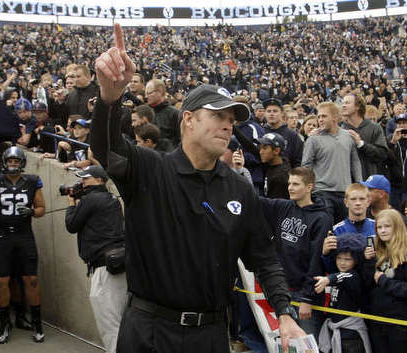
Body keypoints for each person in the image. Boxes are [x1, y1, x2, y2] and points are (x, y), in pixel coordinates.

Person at [91, 24, 305, 353]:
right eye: (217, 115)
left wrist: (285, 314)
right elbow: (107, 149)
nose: (227, 124)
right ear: (188, 119)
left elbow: (264, 258)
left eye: (231, 119)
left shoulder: (239, 188)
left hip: (210, 334)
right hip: (149, 331)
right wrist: (110, 98)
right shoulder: (150, 168)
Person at [259, 167, 332, 339]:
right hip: (283, 291)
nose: (290, 187)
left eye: (296, 184)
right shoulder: (283, 206)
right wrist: (238, 173)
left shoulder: (321, 218)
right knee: (287, 344)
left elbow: (317, 261)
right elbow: (254, 200)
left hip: (304, 294)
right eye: (289, 183)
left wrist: (307, 299)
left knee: (307, 344)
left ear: (309, 187)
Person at [64, 165, 127, 353]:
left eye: (86, 179)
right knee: (121, 320)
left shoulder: (90, 199)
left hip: (105, 269)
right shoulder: (112, 199)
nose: (82, 183)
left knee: (110, 323)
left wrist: (70, 203)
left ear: (99, 180)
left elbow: (71, 225)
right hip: (120, 264)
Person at [0, 146, 46, 343]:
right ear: (5, 162)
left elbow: (41, 209)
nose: (13, 164)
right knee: (1, 280)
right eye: (10, 160)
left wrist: (31, 212)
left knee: (31, 279)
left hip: (24, 235)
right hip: (2, 236)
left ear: (22, 163)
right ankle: (5, 322)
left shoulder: (31, 181)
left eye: (16, 161)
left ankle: (37, 323)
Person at [363, 209, 407, 353]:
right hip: (377, 321)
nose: (382, 231)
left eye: (387, 226)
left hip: (401, 326)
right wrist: (367, 263)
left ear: (397, 227)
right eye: (379, 227)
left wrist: (383, 280)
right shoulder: (376, 255)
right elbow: (367, 286)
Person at [302, 102, 363, 223]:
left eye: (324, 116)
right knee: (326, 229)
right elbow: (305, 166)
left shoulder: (348, 136)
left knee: (343, 229)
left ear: (335, 117)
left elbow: (355, 162)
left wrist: (359, 184)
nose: (320, 120)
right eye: (319, 117)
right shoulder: (313, 139)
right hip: (321, 192)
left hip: (345, 192)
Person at [314, 233, 372, 353]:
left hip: (351, 334)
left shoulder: (354, 276)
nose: (342, 263)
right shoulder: (338, 271)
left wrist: (328, 279)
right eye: (339, 258)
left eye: (347, 259)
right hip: (335, 329)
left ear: (356, 260)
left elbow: (344, 276)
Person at [322, 184, 374, 273]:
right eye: (353, 199)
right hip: (347, 283)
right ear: (346, 202)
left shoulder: (378, 227)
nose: (358, 203)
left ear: (368, 202)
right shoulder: (337, 230)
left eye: (362, 199)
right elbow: (331, 269)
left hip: (374, 281)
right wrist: (325, 253)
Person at [340, 93, 388, 179]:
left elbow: (382, 154)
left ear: (357, 106)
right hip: (348, 183)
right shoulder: (340, 130)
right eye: (343, 103)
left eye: (347, 103)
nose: (343, 106)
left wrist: (361, 144)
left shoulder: (374, 128)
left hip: (370, 181)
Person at [263, 98, 304, 167]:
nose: (271, 114)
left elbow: (298, 160)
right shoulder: (260, 132)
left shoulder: (292, 135)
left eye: (275, 111)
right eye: (269, 111)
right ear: (265, 113)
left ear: (281, 113)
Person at [145, 78, 181, 146]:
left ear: (160, 92)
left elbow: (180, 140)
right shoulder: (144, 111)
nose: (146, 96)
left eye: (149, 93)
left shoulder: (175, 113)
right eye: (145, 93)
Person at [257, 132, 291, 199]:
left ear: (276, 151)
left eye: (264, 148)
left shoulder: (280, 177)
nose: (260, 152)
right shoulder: (272, 163)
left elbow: (277, 205)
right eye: (260, 148)